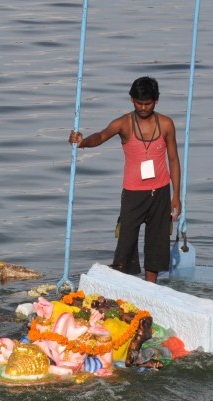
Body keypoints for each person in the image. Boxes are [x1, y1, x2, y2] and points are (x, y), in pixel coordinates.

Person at [68, 76, 182, 283]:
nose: (143, 107)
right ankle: (122, 286)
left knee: (156, 242)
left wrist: (177, 196)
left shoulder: (166, 124)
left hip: (161, 192)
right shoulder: (124, 123)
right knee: (125, 242)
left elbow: (173, 160)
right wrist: (83, 142)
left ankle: (151, 288)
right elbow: (101, 137)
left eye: (147, 103)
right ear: (131, 100)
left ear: (156, 101)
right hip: (133, 193)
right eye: (139, 103)